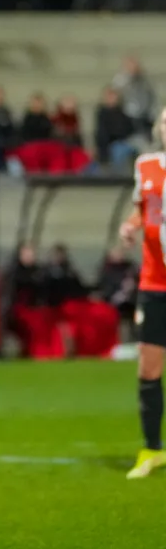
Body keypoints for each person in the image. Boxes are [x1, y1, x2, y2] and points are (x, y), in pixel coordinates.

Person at [118, 107, 166, 479]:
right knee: (148, 368)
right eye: (164, 121)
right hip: (154, 282)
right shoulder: (146, 165)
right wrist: (130, 226)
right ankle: (152, 450)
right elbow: (143, 211)